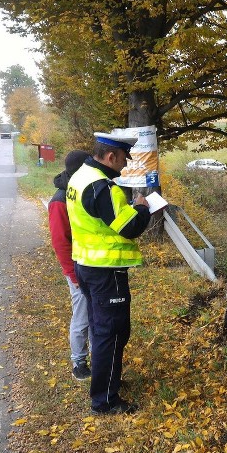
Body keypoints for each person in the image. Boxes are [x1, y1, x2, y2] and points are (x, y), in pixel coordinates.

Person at [66, 131, 150, 415]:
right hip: (106, 273)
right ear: (111, 156)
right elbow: (130, 227)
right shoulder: (104, 188)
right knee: (111, 333)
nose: (125, 165)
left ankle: (107, 383)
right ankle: (105, 400)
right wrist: (142, 208)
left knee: (102, 329)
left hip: (86, 267)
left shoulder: (79, 178)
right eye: (124, 159)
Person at [48, 150, 92, 381]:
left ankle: (96, 356)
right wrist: (71, 274)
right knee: (82, 315)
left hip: (89, 263)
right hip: (76, 268)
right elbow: (60, 241)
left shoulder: (80, 191)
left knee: (94, 313)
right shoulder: (59, 200)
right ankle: (79, 362)